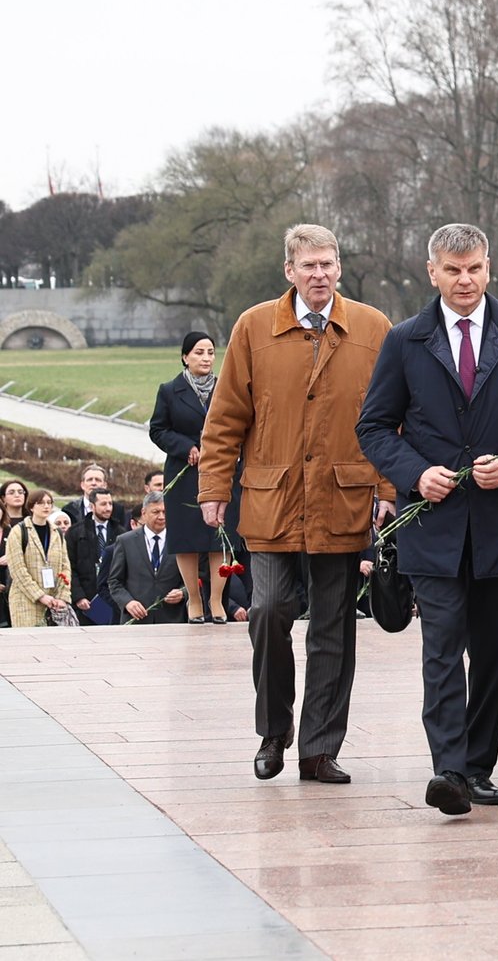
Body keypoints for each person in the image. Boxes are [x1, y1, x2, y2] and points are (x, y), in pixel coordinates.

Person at [357, 223, 498, 816]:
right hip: (435, 521)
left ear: (488, 267)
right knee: (442, 647)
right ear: (433, 272)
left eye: (474, 268)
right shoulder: (406, 340)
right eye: (453, 270)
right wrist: (413, 473)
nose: (465, 280)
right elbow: (374, 426)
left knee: (495, 651)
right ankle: (448, 769)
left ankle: (478, 767)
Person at [199, 223, 396, 786]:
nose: (319, 274)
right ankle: (273, 731)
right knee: (268, 610)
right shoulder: (254, 326)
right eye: (308, 265)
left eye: (328, 264)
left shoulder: (372, 327)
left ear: (339, 267)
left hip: (344, 494)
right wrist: (214, 487)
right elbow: (227, 415)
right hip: (272, 497)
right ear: (289, 271)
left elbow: (391, 416)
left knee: (334, 625)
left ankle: (320, 748)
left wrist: (386, 488)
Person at [150, 331, 236, 622]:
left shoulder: (226, 388)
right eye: (199, 352)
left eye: (210, 352)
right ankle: (194, 599)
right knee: (186, 537)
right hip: (184, 473)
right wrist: (185, 446)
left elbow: (238, 423)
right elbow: (158, 429)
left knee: (218, 536)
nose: (206, 358)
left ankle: (216, 600)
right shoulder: (169, 390)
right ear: (185, 357)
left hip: (220, 470)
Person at [106, 494, 189, 625]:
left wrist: (183, 592)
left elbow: (195, 578)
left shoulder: (181, 541)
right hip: (137, 621)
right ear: (144, 513)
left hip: (172, 620)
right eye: (156, 512)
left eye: (165, 512)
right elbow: (114, 581)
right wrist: (128, 602)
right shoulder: (125, 541)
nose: (161, 517)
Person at [6, 489, 74, 627]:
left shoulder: (57, 532)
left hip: (54, 601)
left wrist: (62, 597)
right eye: (41, 503)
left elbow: (65, 566)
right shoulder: (19, 531)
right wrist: (40, 596)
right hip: (25, 601)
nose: (46, 506)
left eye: (49, 503)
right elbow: (18, 570)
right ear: (31, 506)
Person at [67, 488, 123, 625]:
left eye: (110, 504)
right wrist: (78, 596)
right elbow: (69, 566)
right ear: (92, 506)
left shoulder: (121, 534)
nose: (108, 508)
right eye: (103, 504)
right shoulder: (75, 532)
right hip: (86, 601)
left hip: (113, 600)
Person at [1, 478, 29, 627]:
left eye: (20, 492)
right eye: (11, 492)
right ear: (3, 498)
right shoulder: (3, 524)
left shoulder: (31, 521)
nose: (17, 495)